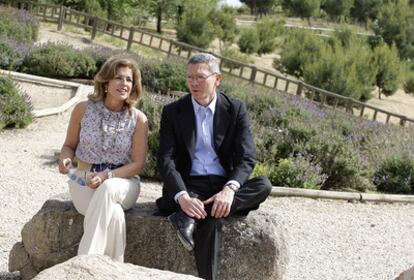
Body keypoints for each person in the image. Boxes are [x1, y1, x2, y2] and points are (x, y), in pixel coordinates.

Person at [156, 53, 272, 280]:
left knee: (264, 185)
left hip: (221, 184)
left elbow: (247, 158)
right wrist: (183, 198)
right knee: (210, 218)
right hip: (189, 185)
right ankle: (194, 211)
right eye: (189, 77)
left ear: (217, 79)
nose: (193, 83)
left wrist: (229, 190)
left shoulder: (236, 109)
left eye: (200, 77)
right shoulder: (172, 112)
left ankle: (188, 218)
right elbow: (165, 160)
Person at [58, 56, 148, 262]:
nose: (124, 84)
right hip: (82, 177)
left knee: (108, 188)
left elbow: (138, 164)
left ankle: (84, 263)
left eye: (129, 80)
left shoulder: (139, 119)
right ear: (106, 82)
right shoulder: (83, 109)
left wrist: (107, 175)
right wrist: (65, 160)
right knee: (114, 214)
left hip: (123, 182)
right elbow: (68, 146)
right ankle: (113, 269)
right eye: (118, 78)